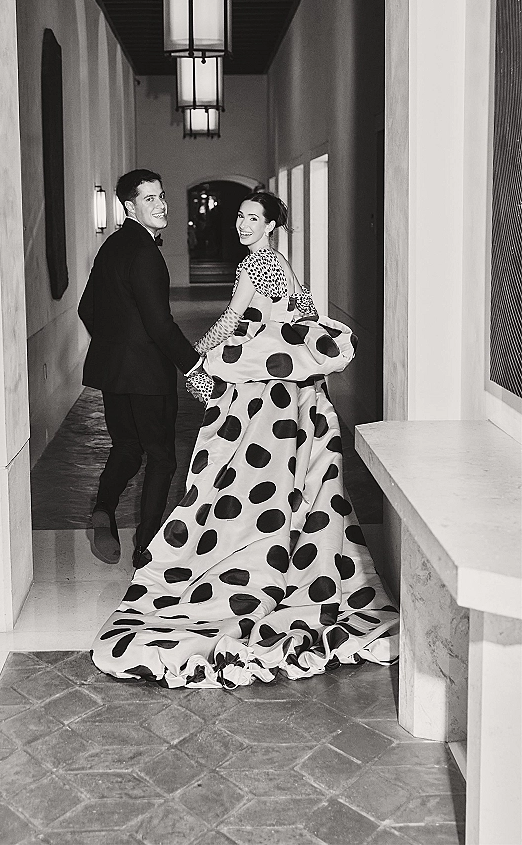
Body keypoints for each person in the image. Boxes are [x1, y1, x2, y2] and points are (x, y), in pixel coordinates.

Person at [91, 191, 398, 688]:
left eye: (253, 218)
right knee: (289, 480)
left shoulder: (256, 267)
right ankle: (286, 558)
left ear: (271, 225)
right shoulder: (283, 265)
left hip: (264, 400)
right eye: (240, 216)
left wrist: (198, 355)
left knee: (242, 477)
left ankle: (246, 557)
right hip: (293, 397)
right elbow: (302, 318)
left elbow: (233, 320)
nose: (242, 224)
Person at [78, 169, 206, 568]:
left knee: (127, 447)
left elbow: (87, 309)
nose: (161, 204)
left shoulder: (112, 246)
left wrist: (117, 344)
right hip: (148, 375)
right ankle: (146, 547)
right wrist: (193, 366)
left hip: (114, 372)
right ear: (129, 206)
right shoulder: (146, 253)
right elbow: (160, 324)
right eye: (149, 199)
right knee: (162, 456)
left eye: (162, 196)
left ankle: (103, 507)